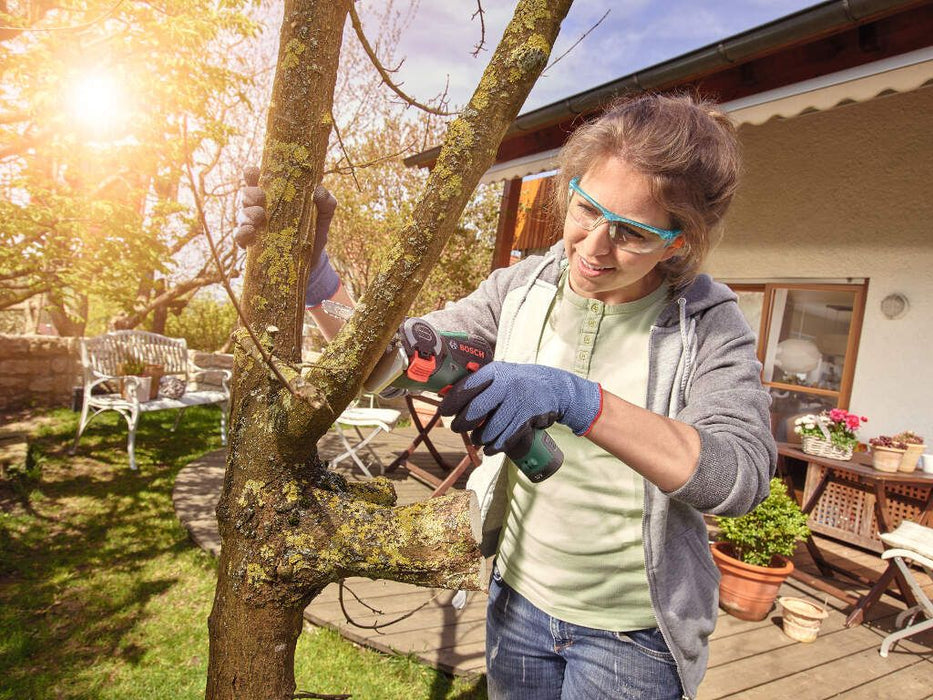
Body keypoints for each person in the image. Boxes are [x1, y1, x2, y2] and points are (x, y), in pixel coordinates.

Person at [239, 93, 775, 699]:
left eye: (631, 233)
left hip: (632, 636)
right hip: (517, 602)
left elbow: (740, 476)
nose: (594, 248)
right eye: (586, 209)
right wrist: (320, 283)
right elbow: (397, 358)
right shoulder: (522, 287)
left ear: (678, 243)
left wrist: (581, 401)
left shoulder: (706, 322)